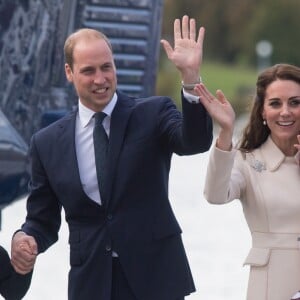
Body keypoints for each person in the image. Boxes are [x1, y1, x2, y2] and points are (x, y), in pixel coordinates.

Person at [10, 15, 213, 300]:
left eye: (107, 67)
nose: (100, 79)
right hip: (91, 284)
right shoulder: (46, 143)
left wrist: (190, 79)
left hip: (155, 280)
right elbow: (41, 221)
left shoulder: (153, 113)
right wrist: (24, 238)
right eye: (88, 71)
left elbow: (195, 142)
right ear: (69, 72)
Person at [194, 63, 300, 300]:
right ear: (262, 111)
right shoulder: (247, 161)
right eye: (275, 103)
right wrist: (225, 132)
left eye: (295, 102)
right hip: (272, 285)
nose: (285, 111)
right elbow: (215, 195)